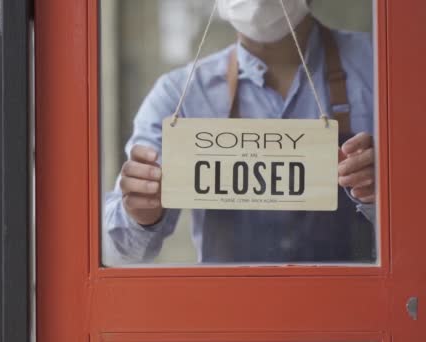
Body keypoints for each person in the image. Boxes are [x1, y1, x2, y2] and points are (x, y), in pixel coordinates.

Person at [104, 0, 377, 265]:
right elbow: (116, 252)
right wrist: (140, 211)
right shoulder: (179, 95)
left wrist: (396, 190)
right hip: (228, 306)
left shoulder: (383, 68)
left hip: (353, 305)